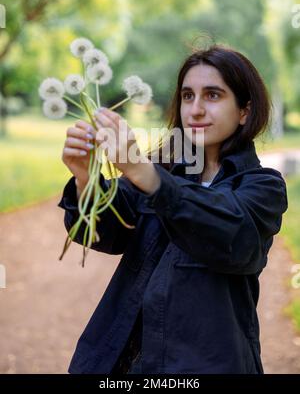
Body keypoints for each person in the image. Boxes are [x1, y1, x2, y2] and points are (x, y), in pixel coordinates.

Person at [58, 44, 288, 374]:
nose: (194, 109)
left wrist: (141, 171)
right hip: (122, 362)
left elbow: (232, 236)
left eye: (212, 95)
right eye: (187, 96)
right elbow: (104, 233)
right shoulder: (160, 169)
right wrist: (84, 179)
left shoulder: (262, 187)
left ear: (244, 112)